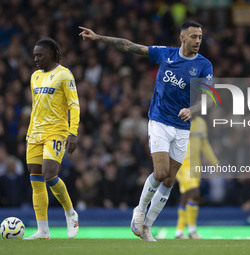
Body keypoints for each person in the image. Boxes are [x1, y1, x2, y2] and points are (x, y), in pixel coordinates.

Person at [79, 20, 213, 242]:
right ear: (182, 38)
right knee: (160, 173)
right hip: (159, 121)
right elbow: (129, 45)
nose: (198, 41)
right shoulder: (165, 54)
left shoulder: (204, 65)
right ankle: (139, 211)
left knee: (170, 180)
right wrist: (99, 37)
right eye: (193, 37)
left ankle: (147, 227)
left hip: (182, 127)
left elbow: (207, 97)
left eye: (200, 37)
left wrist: (192, 109)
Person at [25, 38, 80, 239]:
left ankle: (70, 212)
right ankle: (43, 230)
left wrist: (72, 132)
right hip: (35, 133)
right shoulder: (34, 77)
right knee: (35, 178)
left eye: (39, 55)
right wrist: (30, 133)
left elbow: (74, 104)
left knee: (49, 174)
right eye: (34, 55)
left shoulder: (64, 75)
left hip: (56, 131)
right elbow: (35, 108)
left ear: (52, 54)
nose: (35, 59)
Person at [175, 116, 218, 239]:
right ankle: (192, 230)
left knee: (186, 196)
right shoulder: (179, 119)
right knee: (195, 193)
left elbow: (204, 144)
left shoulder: (201, 123)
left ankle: (179, 231)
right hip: (182, 164)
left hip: (195, 165)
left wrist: (214, 162)